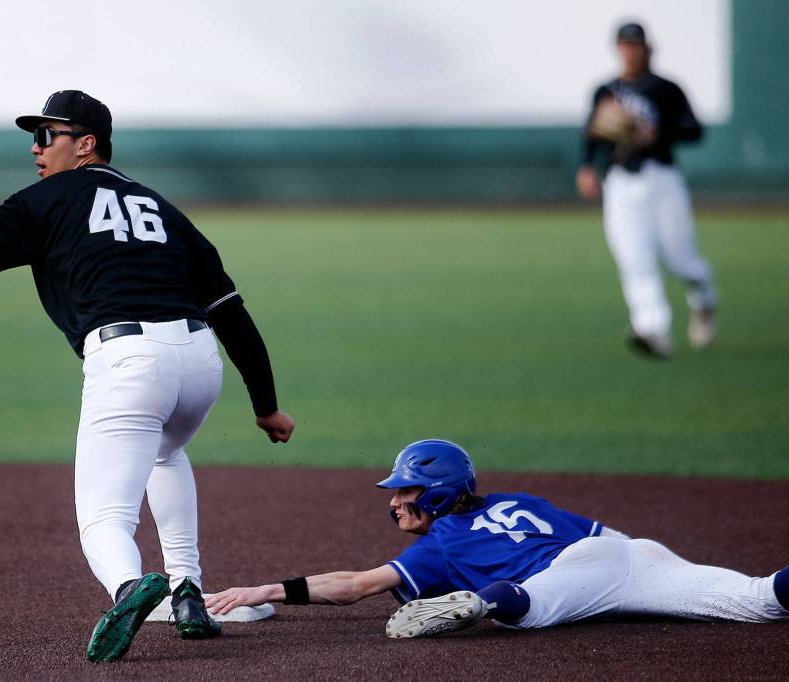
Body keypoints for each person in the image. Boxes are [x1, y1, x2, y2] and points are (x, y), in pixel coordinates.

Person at [0, 90, 295, 663]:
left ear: (86, 145)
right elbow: (229, 307)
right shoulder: (161, 207)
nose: (35, 148)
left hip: (128, 361)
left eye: (47, 135)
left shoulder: (45, 200)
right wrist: (266, 405)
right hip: (198, 359)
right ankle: (186, 591)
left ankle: (130, 589)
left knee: (103, 518)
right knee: (164, 451)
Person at [206, 439, 788, 636]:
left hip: (573, 575)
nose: (395, 500)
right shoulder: (517, 501)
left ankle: (481, 603)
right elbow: (604, 542)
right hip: (633, 551)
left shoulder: (444, 542)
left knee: (523, 609)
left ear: (436, 494)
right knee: (760, 600)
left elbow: (356, 585)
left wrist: (267, 590)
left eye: (406, 491)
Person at [576, 22, 718, 359]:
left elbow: (694, 131)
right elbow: (592, 133)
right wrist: (586, 167)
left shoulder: (666, 90)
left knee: (680, 259)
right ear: (618, 48)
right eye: (624, 45)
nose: (630, 51)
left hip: (661, 179)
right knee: (634, 258)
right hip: (621, 182)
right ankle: (651, 329)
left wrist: (658, 133)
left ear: (647, 48)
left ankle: (704, 297)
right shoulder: (606, 90)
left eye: (635, 44)